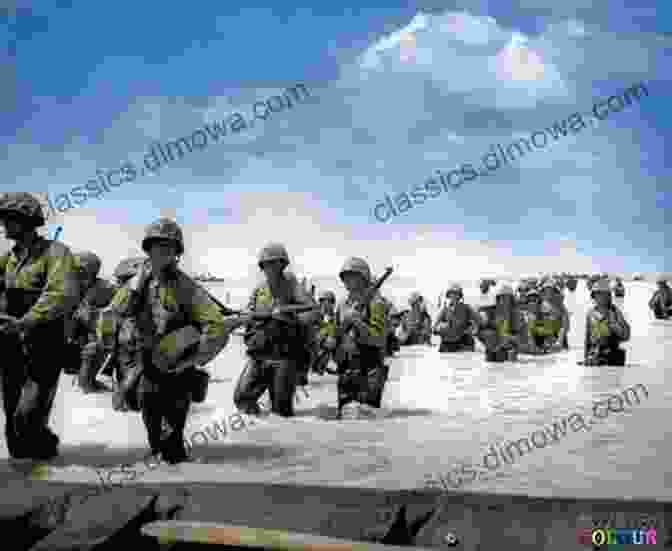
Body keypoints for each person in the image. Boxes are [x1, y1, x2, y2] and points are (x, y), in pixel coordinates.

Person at [96, 218, 242, 463]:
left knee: (173, 439)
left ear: (177, 253)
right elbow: (111, 314)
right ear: (148, 249)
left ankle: (179, 479)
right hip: (147, 365)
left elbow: (215, 326)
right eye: (157, 246)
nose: (162, 252)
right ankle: (160, 473)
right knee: (152, 429)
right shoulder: (136, 283)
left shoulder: (186, 287)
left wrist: (195, 359)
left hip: (178, 367)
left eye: (168, 247)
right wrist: (111, 343)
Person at [0, 192, 79, 460]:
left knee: (27, 414)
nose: (4, 224)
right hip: (11, 346)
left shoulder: (56, 253)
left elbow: (61, 294)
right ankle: (28, 479)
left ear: (28, 220)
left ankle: (44, 449)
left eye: (10, 218)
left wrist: (25, 321)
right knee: (12, 421)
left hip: (43, 345)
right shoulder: (7, 259)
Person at [233, 243, 319, 417]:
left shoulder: (292, 284)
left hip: (284, 355)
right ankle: (257, 430)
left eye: (274, 263)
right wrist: (243, 318)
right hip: (259, 353)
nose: (270, 268)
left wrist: (289, 318)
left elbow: (313, 312)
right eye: (266, 264)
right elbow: (248, 314)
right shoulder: (259, 289)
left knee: (281, 410)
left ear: (283, 264)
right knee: (242, 397)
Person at [334, 257, 388, 417]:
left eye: (353, 276)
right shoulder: (342, 304)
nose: (348, 281)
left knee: (367, 418)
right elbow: (336, 334)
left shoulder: (376, 303)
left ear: (363, 278)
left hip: (369, 368)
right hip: (346, 368)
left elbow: (378, 339)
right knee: (345, 419)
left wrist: (357, 321)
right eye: (346, 276)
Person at [68, 252, 116, 392]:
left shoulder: (104, 290)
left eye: (80, 270)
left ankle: (87, 381)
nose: (75, 273)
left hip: (96, 337)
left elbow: (109, 324)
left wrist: (88, 315)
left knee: (96, 345)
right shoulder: (69, 286)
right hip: (73, 339)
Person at [583, 279, 630, 366]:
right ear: (594, 296)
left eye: (603, 294)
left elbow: (626, 335)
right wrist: (585, 357)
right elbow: (587, 338)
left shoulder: (615, 312)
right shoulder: (590, 313)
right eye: (598, 294)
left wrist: (613, 325)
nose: (601, 297)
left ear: (608, 296)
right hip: (594, 354)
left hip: (612, 354)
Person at [476, 284, 522, 362]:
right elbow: (479, 331)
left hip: (508, 349)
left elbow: (521, 336)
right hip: (493, 348)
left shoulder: (516, 315)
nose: (504, 301)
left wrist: (510, 338)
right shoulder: (490, 312)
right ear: (498, 299)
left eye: (507, 298)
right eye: (502, 298)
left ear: (511, 300)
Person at [433, 284, 478, 352]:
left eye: (456, 294)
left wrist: (472, 329)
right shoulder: (445, 309)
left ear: (460, 296)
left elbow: (477, 321)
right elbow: (434, 326)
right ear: (449, 295)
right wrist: (439, 328)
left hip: (463, 342)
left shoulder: (466, 308)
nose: (454, 296)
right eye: (452, 294)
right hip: (447, 342)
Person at [311, 290, 338, 375]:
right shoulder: (316, 316)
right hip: (316, 348)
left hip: (329, 350)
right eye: (321, 301)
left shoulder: (336, 317)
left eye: (326, 301)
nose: (323, 304)